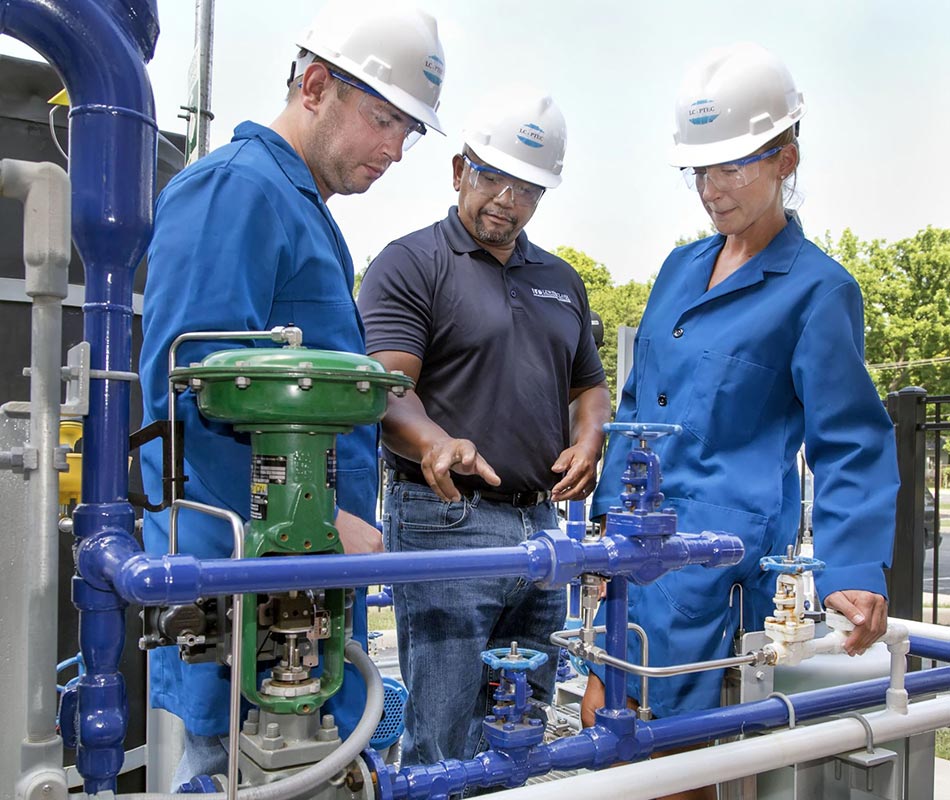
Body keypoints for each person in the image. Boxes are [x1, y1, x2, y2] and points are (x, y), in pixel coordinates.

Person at [138, 1, 446, 785]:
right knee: (234, 773)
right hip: (239, 597)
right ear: (315, 85)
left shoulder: (300, 206)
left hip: (291, 595)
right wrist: (323, 521)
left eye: (410, 132)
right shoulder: (235, 192)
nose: (397, 150)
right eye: (385, 120)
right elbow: (186, 395)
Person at [581, 43, 898, 800]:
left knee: (679, 759)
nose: (711, 190)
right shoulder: (677, 269)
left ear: (787, 156)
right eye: (700, 170)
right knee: (601, 725)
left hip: (718, 569)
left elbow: (849, 438)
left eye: (732, 167)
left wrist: (853, 572)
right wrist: (601, 526)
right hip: (632, 553)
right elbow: (634, 406)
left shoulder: (819, 289)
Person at [357, 90, 612, 765]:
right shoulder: (411, 263)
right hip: (446, 516)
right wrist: (435, 441)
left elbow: (589, 385)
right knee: (443, 734)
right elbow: (388, 389)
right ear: (456, 169)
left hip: (541, 526)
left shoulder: (561, 280)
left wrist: (591, 436)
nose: (506, 197)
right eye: (490, 175)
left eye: (526, 186)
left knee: (519, 729)